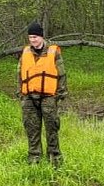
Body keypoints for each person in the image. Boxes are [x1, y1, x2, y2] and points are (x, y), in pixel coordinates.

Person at [17, 21, 67, 166]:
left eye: (35, 37)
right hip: (28, 96)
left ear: (41, 37)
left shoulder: (53, 51)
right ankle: (34, 158)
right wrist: (21, 93)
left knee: (52, 127)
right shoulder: (25, 52)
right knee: (31, 128)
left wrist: (60, 94)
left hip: (49, 96)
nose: (33, 40)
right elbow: (19, 73)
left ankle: (55, 158)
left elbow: (62, 74)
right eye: (30, 37)